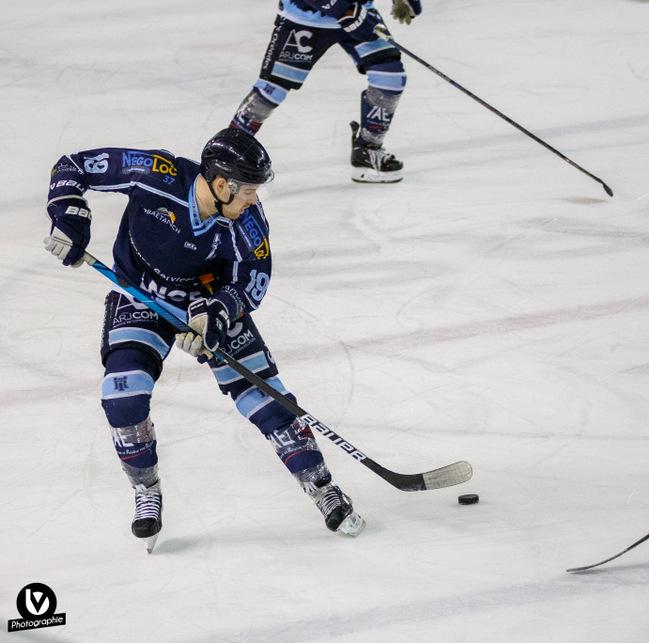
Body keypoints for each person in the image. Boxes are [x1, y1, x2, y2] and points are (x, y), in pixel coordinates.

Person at [43, 129, 365, 552]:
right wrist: (69, 215)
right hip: (141, 296)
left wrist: (215, 313)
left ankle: (321, 486)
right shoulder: (155, 174)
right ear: (220, 184)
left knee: (268, 400)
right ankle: (147, 490)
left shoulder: (248, 221)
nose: (254, 199)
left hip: (207, 303)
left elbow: (254, 279)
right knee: (122, 397)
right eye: (247, 190)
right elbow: (72, 166)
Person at [230, 0, 422, 184]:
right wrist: (342, 9)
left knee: (390, 76)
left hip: (359, 10)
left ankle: (368, 151)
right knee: (272, 89)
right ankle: (229, 155)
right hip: (306, 16)